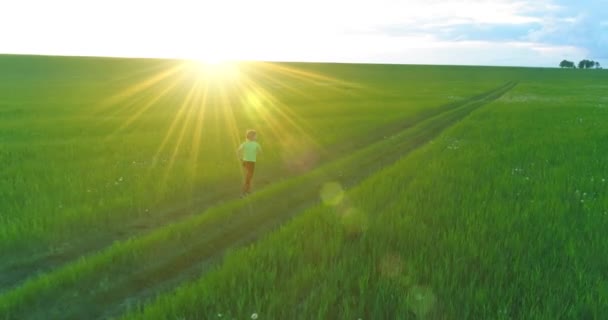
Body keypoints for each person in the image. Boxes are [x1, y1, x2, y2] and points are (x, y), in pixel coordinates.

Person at [237, 129, 262, 197]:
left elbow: (238, 151)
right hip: (251, 162)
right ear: (252, 137)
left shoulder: (244, 143)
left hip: (245, 162)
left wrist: (240, 158)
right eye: (255, 136)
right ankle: (244, 191)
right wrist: (256, 153)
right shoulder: (256, 144)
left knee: (248, 175)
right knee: (249, 176)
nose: (256, 137)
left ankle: (247, 190)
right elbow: (260, 151)